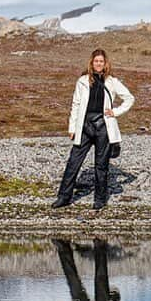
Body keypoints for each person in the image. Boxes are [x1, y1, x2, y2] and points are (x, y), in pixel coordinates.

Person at [52, 49, 134, 210]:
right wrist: (72, 127)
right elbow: (75, 105)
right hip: (84, 126)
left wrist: (115, 112)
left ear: (105, 64)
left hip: (103, 126)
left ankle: (100, 199)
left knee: (101, 165)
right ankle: (64, 197)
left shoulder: (112, 81)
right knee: (73, 162)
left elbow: (129, 98)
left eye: (101, 61)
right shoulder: (82, 81)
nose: (98, 64)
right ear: (91, 62)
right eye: (96, 61)